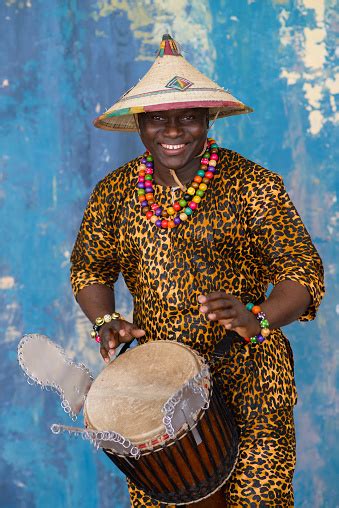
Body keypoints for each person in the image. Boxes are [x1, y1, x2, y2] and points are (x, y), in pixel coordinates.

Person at [70, 34, 324, 507]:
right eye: (159, 119)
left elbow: (302, 272)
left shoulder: (253, 185)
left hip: (251, 380)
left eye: (188, 117)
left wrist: (260, 317)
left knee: (259, 501)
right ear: (140, 124)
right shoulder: (115, 193)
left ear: (207, 119)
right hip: (157, 392)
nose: (173, 130)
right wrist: (106, 322)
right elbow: (90, 269)